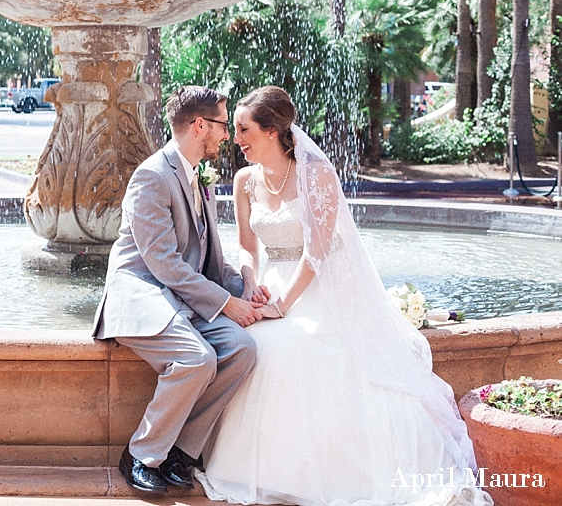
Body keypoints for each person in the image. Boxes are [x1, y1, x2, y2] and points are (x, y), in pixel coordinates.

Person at [196, 86, 491, 506]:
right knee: (249, 344)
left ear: (273, 131)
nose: (235, 138)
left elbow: (317, 251)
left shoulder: (316, 174)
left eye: (243, 129)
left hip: (318, 287)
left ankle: (330, 475)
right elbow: (246, 245)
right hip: (268, 284)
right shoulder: (244, 181)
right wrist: (248, 282)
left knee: (297, 346)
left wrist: (284, 306)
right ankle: (256, 470)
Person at [92, 85, 266, 495]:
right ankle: (141, 454)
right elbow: (163, 263)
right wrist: (225, 303)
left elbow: (208, 256)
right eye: (224, 125)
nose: (228, 135)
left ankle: (181, 452)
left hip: (183, 300)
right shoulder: (151, 176)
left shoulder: (199, 176)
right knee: (196, 359)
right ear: (200, 125)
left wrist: (247, 289)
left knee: (243, 350)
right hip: (143, 295)